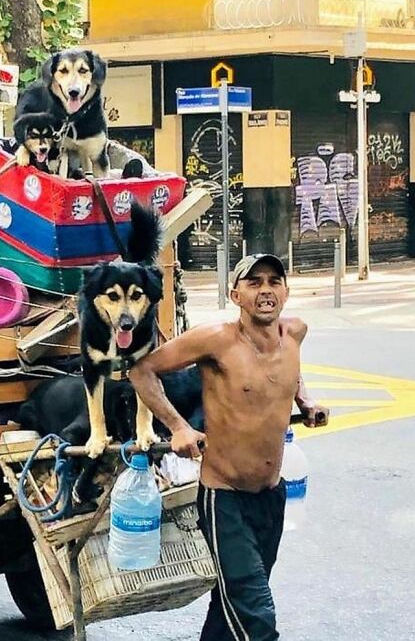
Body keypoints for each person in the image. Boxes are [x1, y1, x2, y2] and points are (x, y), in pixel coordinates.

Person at [129, 253, 328, 640]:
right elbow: (142, 370)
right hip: (225, 500)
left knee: (230, 603)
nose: (266, 290)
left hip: (271, 496)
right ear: (235, 295)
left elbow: (290, 369)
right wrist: (178, 427)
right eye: (254, 283)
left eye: (274, 282)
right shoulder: (216, 340)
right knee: (256, 615)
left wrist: (305, 400)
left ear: (286, 292)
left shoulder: (295, 332)